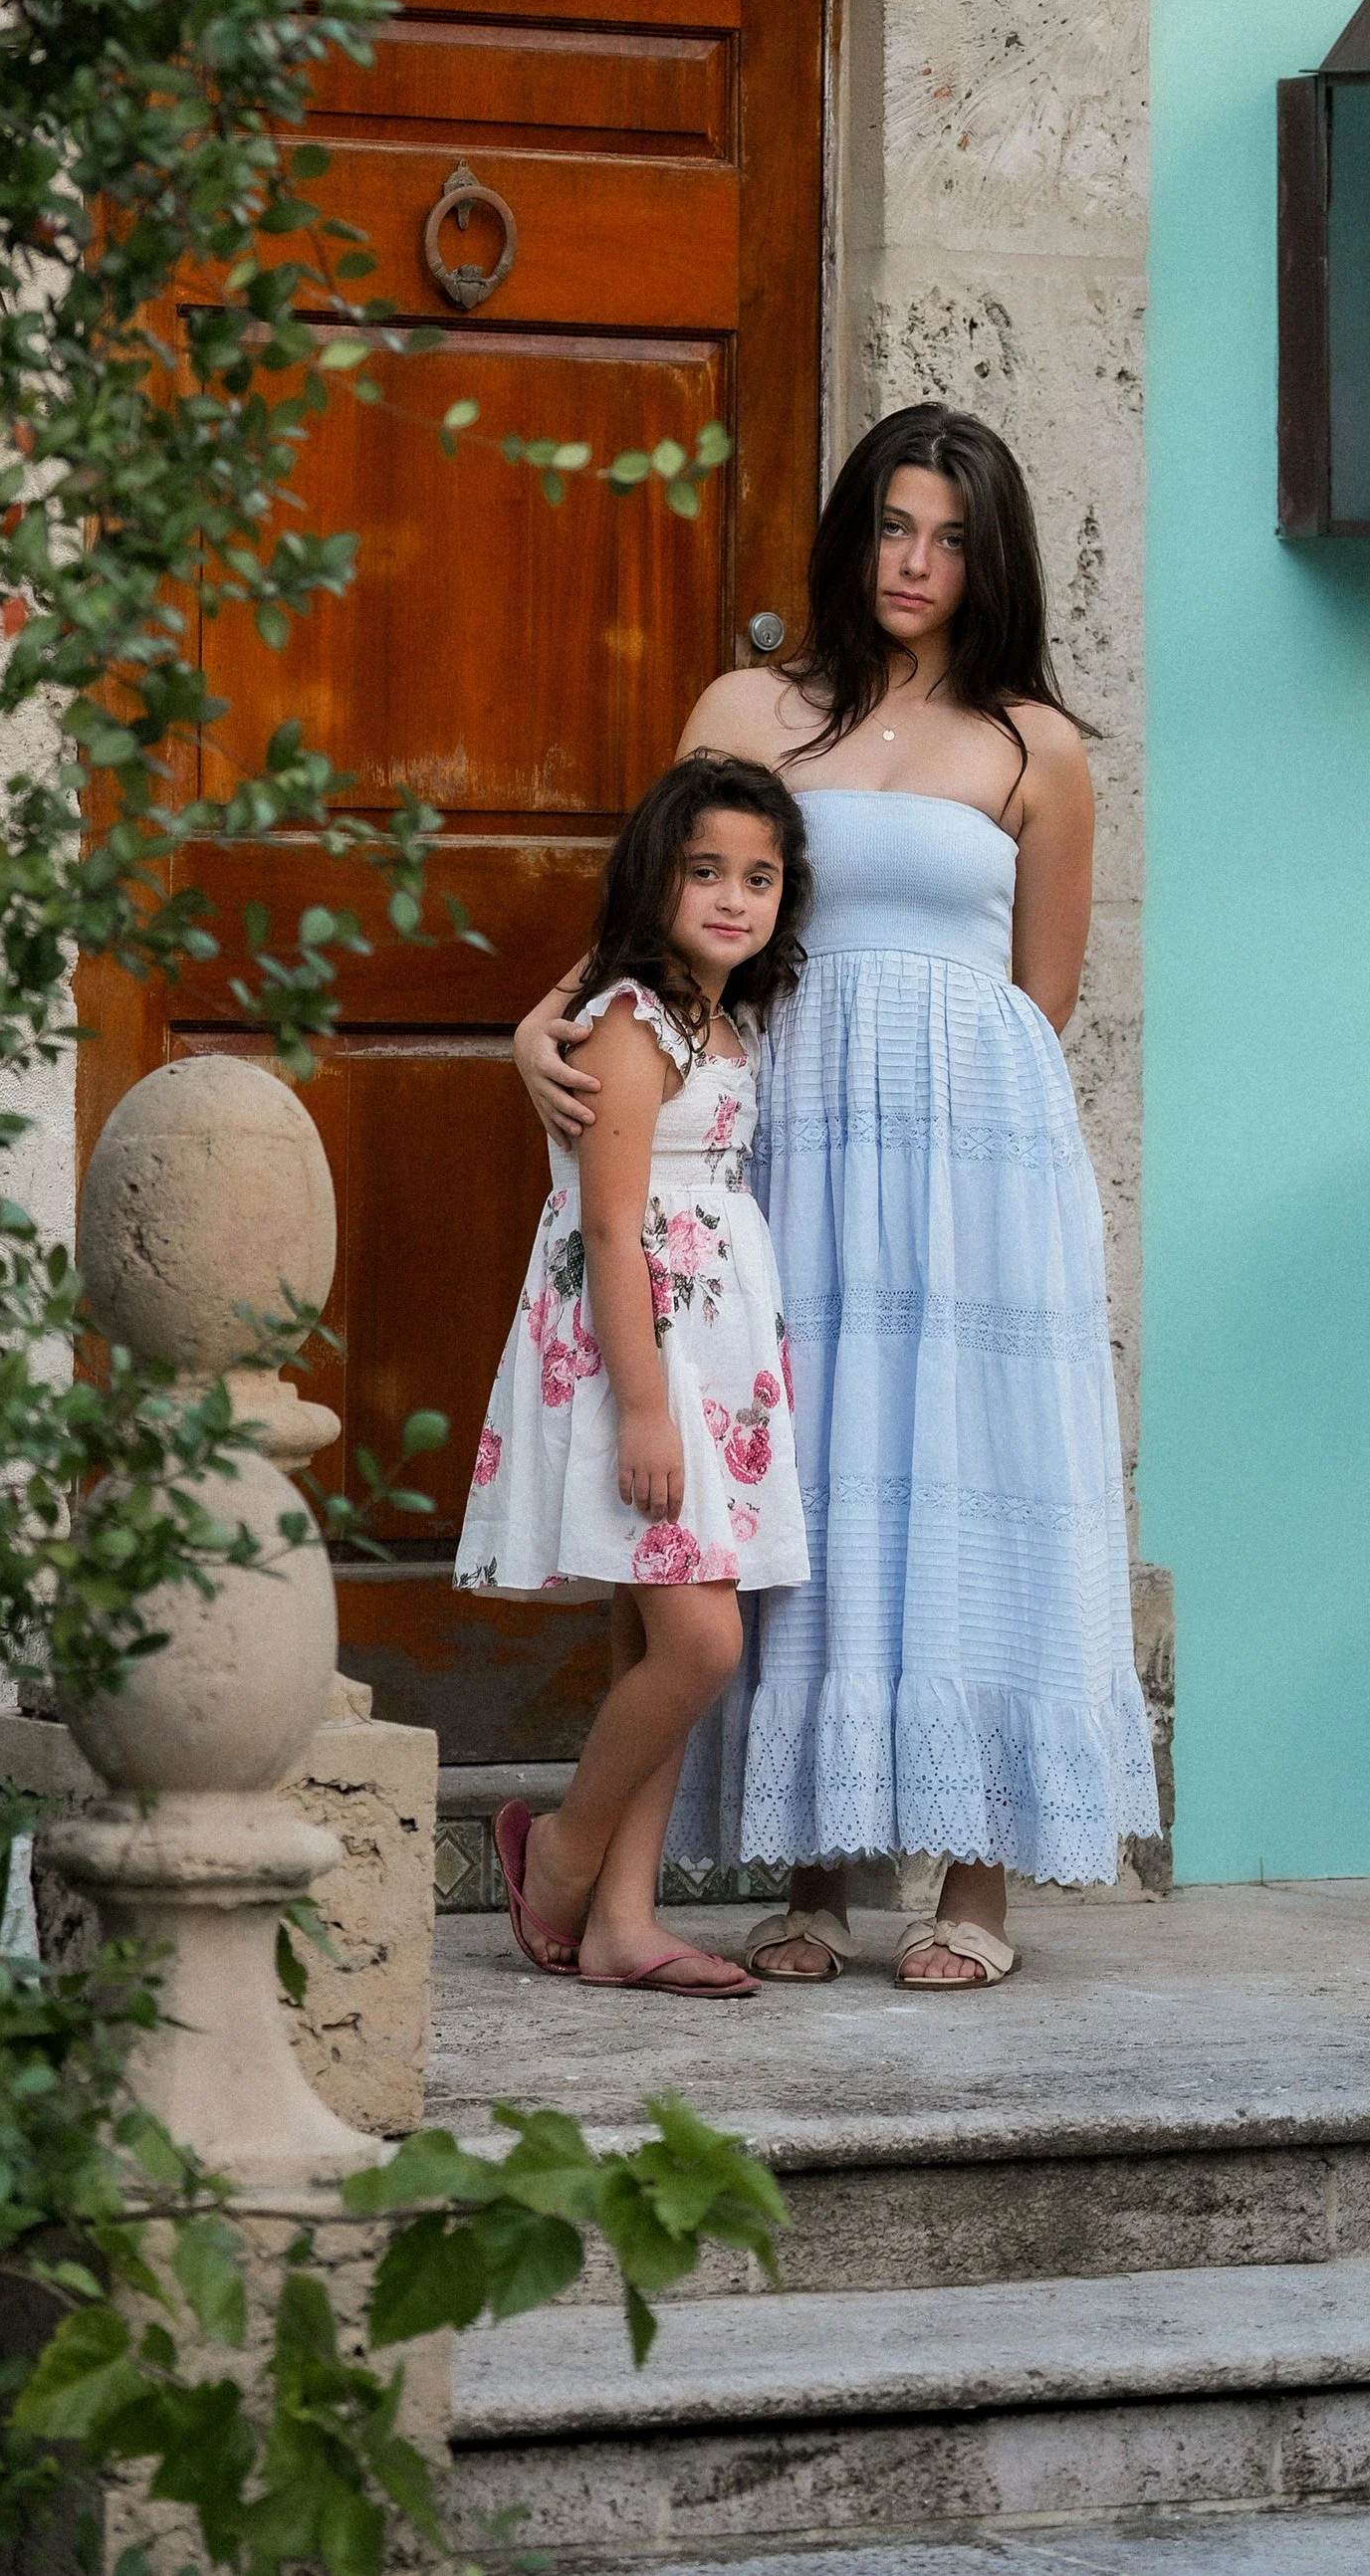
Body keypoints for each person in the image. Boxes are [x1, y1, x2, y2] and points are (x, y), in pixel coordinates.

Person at [515, 405, 1159, 1991]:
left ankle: (979, 1887)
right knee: (803, 1490)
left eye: (948, 536)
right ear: (850, 533)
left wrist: (924, 1100)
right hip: (774, 1149)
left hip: (968, 1164)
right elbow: (659, 913)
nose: (915, 564)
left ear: (990, 556)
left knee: (966, 1473)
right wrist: (539, 1021)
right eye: (890, 526)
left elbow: (1042, 997)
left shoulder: (1038, 748)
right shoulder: (750, 704)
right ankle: (811, 1880)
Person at [460, 752, 814, 1998]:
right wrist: (652, 1408)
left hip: (709, 1364)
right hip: (639, 1363)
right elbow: (611, 1227)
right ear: (652, 881)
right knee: (699, 1645)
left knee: (651, 1635)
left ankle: (621, 1920)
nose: (731, 897)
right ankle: (557, 1849)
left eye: (759, 877)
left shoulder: (728, 1019)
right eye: (704, 870)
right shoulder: (628, 1020)